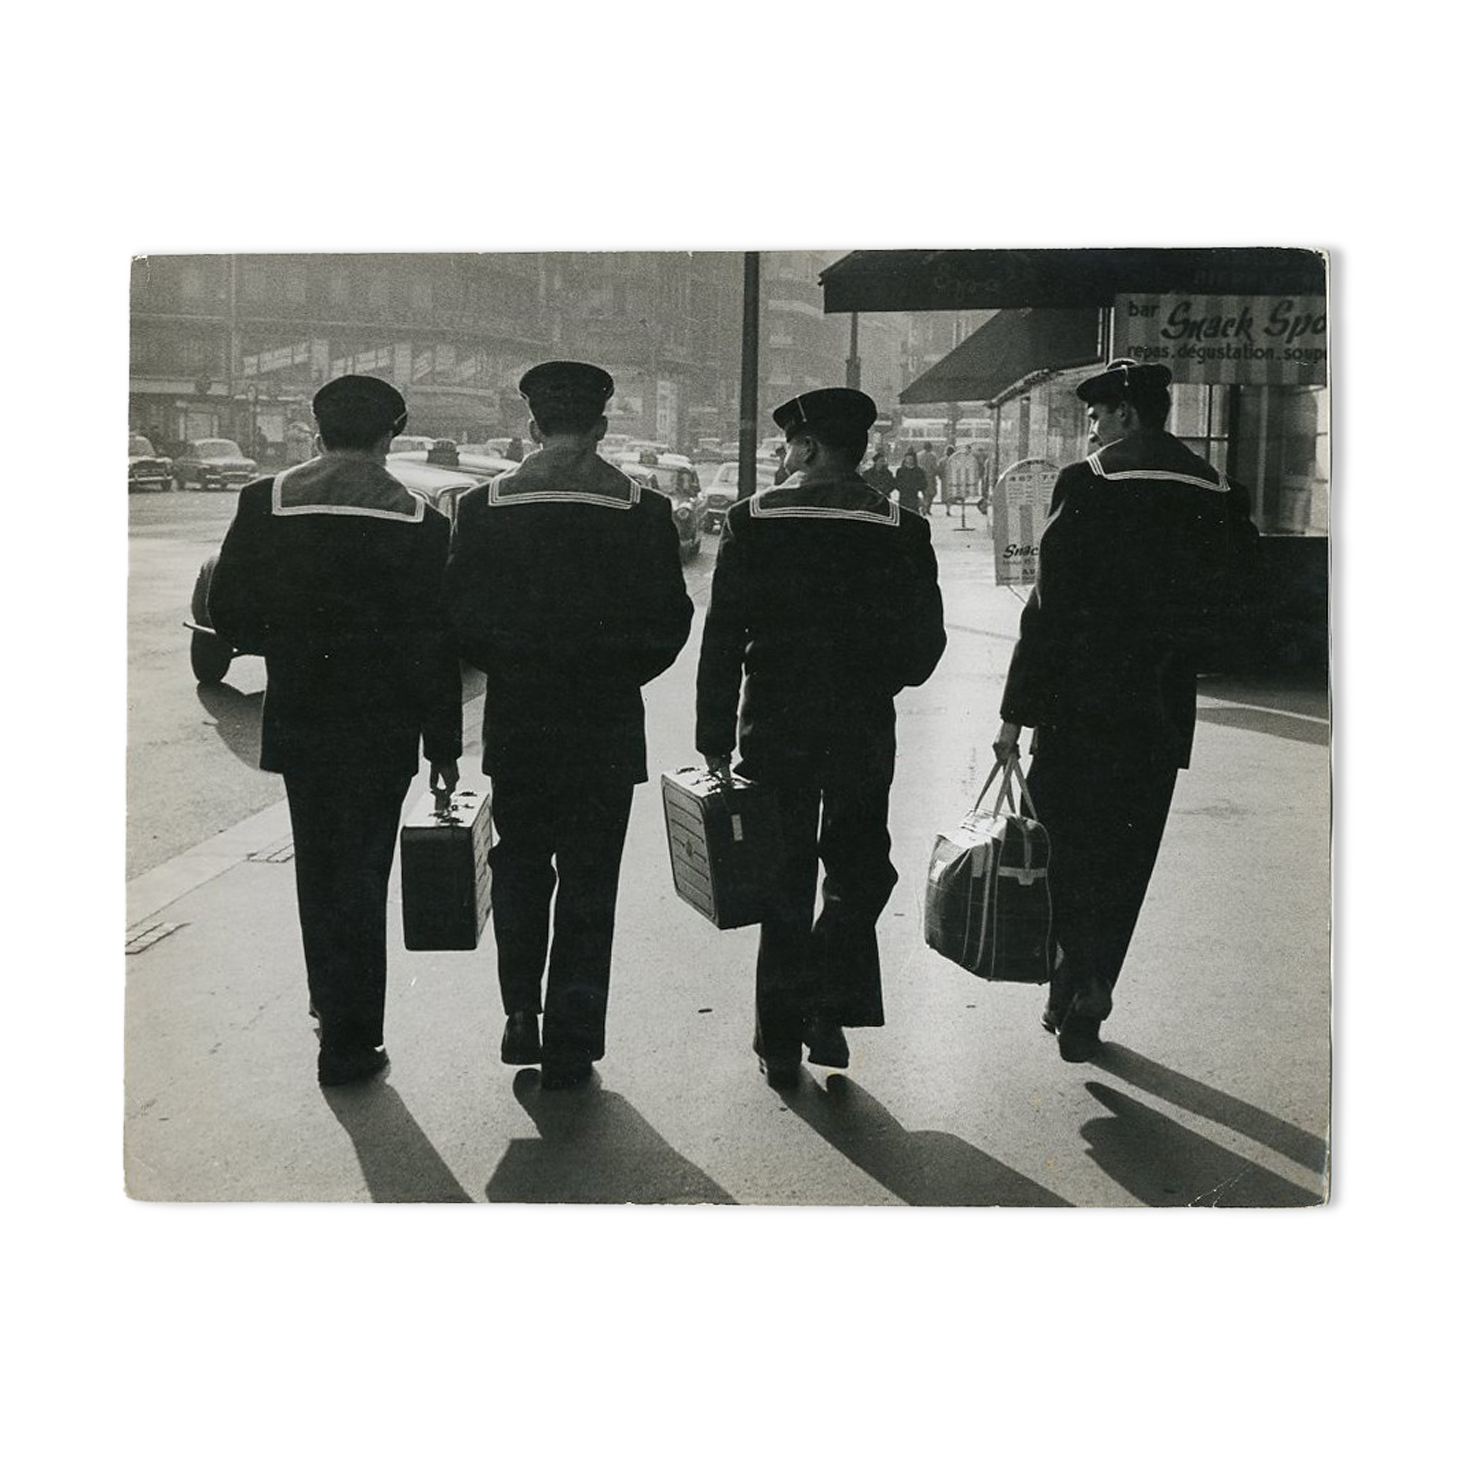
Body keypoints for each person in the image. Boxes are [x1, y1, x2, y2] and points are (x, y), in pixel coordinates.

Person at [993, 359, 1260, 1062]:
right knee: (1126, 857)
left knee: (1064, 853)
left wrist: (1013, 714)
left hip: (1077, 710)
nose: (1089, 435)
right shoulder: (1220, 491)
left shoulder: (1087, 484)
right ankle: (1091, 987)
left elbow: (1045, 610)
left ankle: (1069, 977)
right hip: (1160, 711)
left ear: (1125, 417)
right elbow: (1241, 607)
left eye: (1094, 419)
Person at [208, 375, 462, 1088]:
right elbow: (435, 646)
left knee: (318, 870)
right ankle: (355, 1039)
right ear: (391, 435)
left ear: (315, 431)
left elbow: (228, 612)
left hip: (304, 717)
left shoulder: (265, 501)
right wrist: (443, 746)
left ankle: (329, 1003)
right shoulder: (422, 521)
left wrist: (290, 643)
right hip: (384, 729)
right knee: (364, 875)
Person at [444, 362, 693, 1090]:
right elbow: (671, 621)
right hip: (606, 725)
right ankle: (573, 1038)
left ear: (532, 426)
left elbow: (458, 615)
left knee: (519, 867)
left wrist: (514, 667)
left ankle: (519, 1011)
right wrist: (615, 674)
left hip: (519, 719)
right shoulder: (641, 509)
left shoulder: (482, 506)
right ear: (601, 427)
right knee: (591, 880)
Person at [696, 387, 946, 1087]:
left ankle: (778, 1037)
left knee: (783, 876)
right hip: (862, 727)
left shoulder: (750, 520)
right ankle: (828, 1010)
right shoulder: (901, 526)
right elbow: (923, 650)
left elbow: (721, 636)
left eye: (786, 445)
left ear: (804, 446)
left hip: (772, 725)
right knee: (859, 869)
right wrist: (873, 677)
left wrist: (712, 732)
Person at [893, 448, 929, 515]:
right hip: (903, 496)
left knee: (913, 514)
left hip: (914, 496)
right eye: (908, 459)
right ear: (905, 459)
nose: (909, 461)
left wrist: (915, 487)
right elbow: (897, 483)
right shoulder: (900, 471)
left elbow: (924, 484)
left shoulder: (919, 471)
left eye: (911, 459)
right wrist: (903, 487)